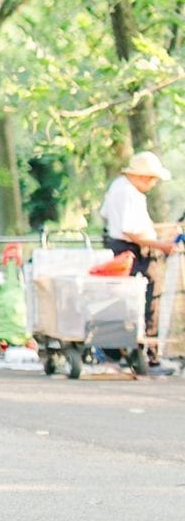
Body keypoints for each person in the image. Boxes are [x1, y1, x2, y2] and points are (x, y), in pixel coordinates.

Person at [100, 151, 179, 375]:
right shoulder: (128, 193)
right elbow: (130, 230)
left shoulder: (119, 187)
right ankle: (147, 354)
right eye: (152, 179)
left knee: (123, 299)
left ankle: (122, 350)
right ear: (144, 176)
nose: (153, 184)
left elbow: (110, 216)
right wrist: (161, 246)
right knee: (147, 298)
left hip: (121, 247)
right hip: (131, 250)